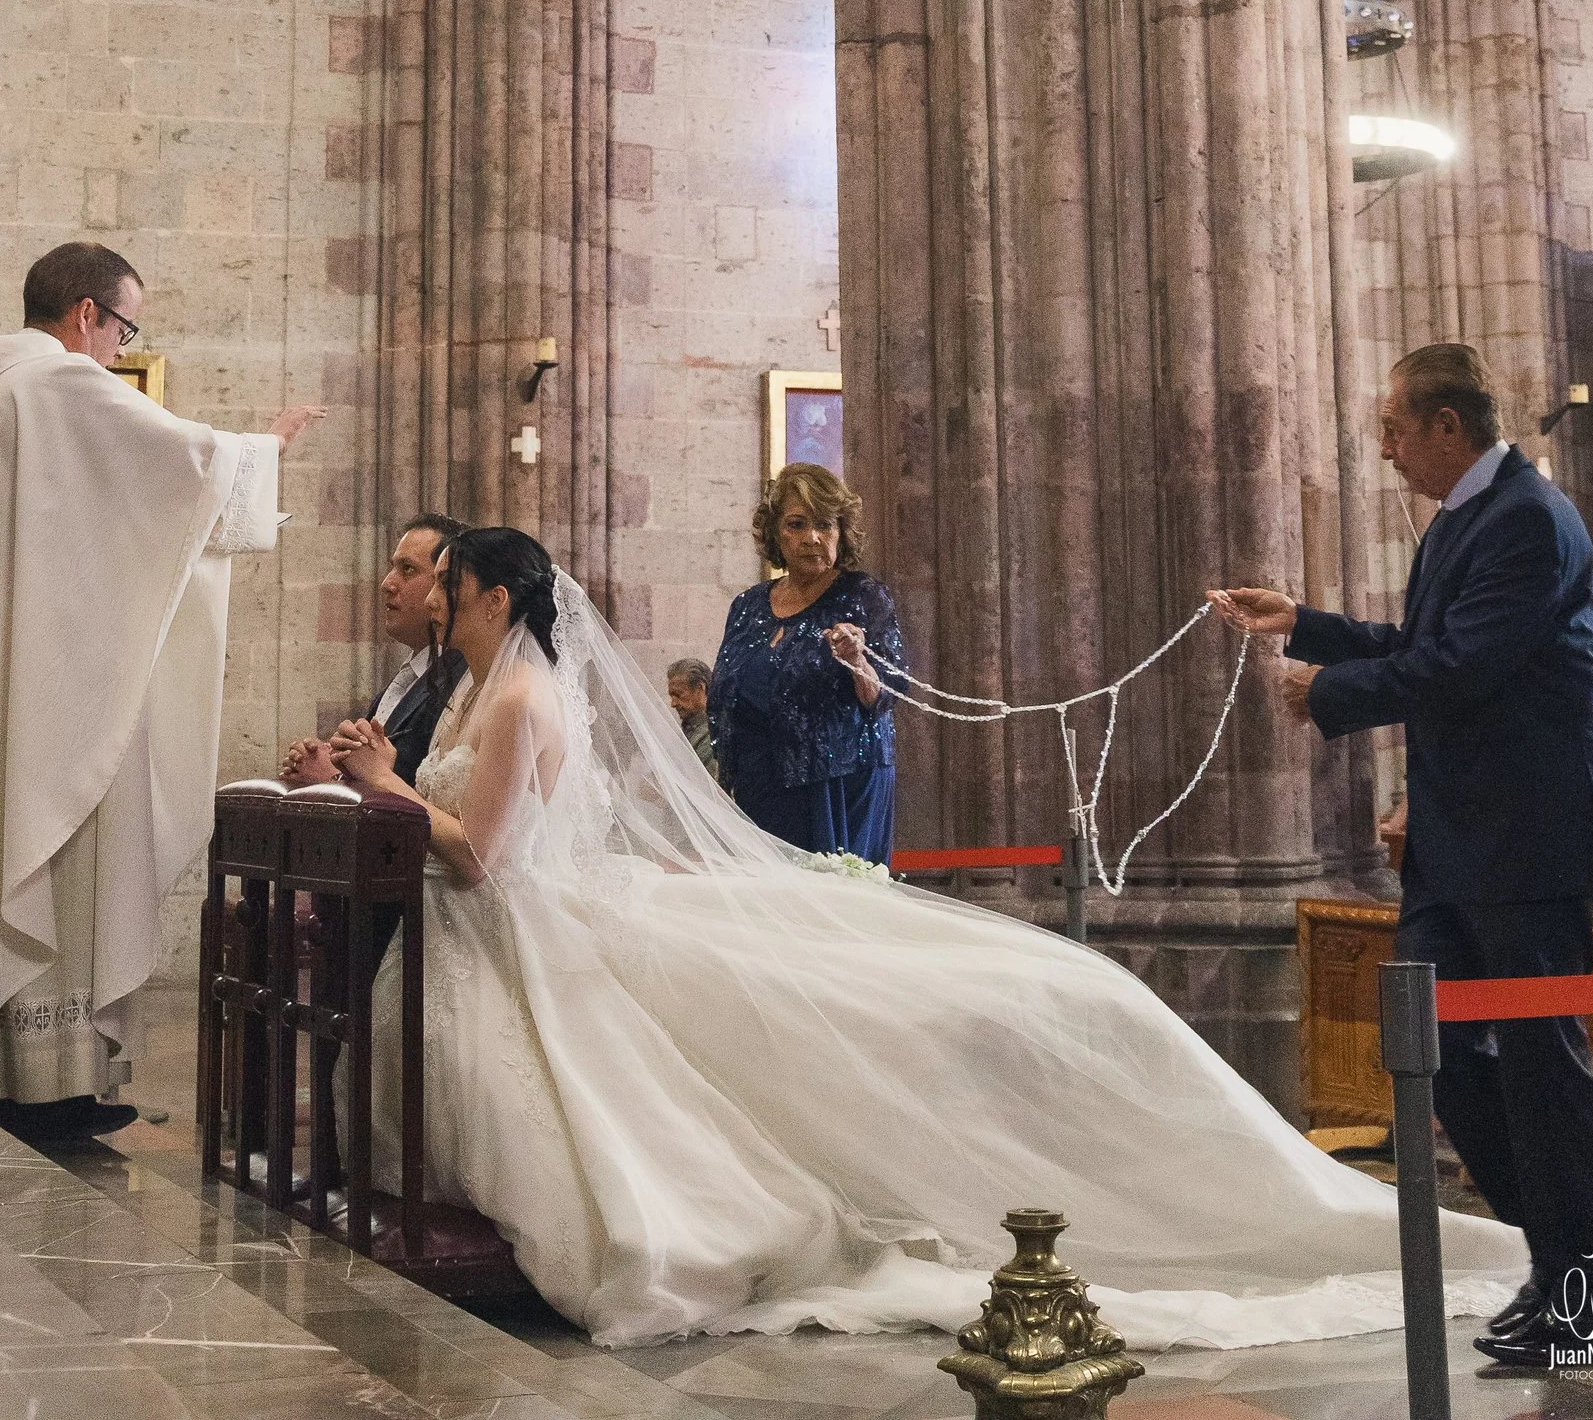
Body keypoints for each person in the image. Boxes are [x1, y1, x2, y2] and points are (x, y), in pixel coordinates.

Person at [328, 525, 1518, 1352]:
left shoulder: (526, 695)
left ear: (490, 597)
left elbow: (479, 850)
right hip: (503, 921)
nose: (427, 595)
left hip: (516, 912)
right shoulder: (482, 687)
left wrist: (383, 785)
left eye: (445, 581)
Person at [1213, 338, 1593, 1376]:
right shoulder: (1467, 517)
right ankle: (1559, 1265)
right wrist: (1303, 623)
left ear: (1449, 427)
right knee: (1432, 1053)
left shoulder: (1529, 518)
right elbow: (1418, 638)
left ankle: (1590, 1297)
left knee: (1541, 1069)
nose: (1387, 450)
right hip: (1459, 841)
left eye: (1396, 428)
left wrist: (1330, 695)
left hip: (1525, 836)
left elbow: (1462, 664)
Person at [0, 239, 319, 1120]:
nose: (120, 346)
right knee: (56, 856)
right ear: (85, 315)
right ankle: (51, 1084)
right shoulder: (60, 386)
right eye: (124, 327)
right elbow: (183, 468)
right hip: (49, 704)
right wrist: (268, 445)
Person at [708, 461, 899, 856]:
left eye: (825, 525)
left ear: (841, 533)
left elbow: (886, 695)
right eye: (796, 524)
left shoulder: (863, 596)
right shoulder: (747, 605)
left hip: (837, 786)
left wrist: (858, 663)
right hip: (759, 786)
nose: (812, 537)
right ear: (776, 534)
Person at [284, 512, 461, 788]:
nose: (387, 584)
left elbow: (420, 795)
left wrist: (333, 779)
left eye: (408, 570)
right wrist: (329, 760)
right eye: (393, 568)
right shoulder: (409, 674)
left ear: (446, 583)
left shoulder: (458, 679)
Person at [667, 656, 718, 779]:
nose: (673, 704)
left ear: (701, 688)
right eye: (671, 696)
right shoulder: (689, 729)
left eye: (678, 695)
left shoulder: (715, 732)